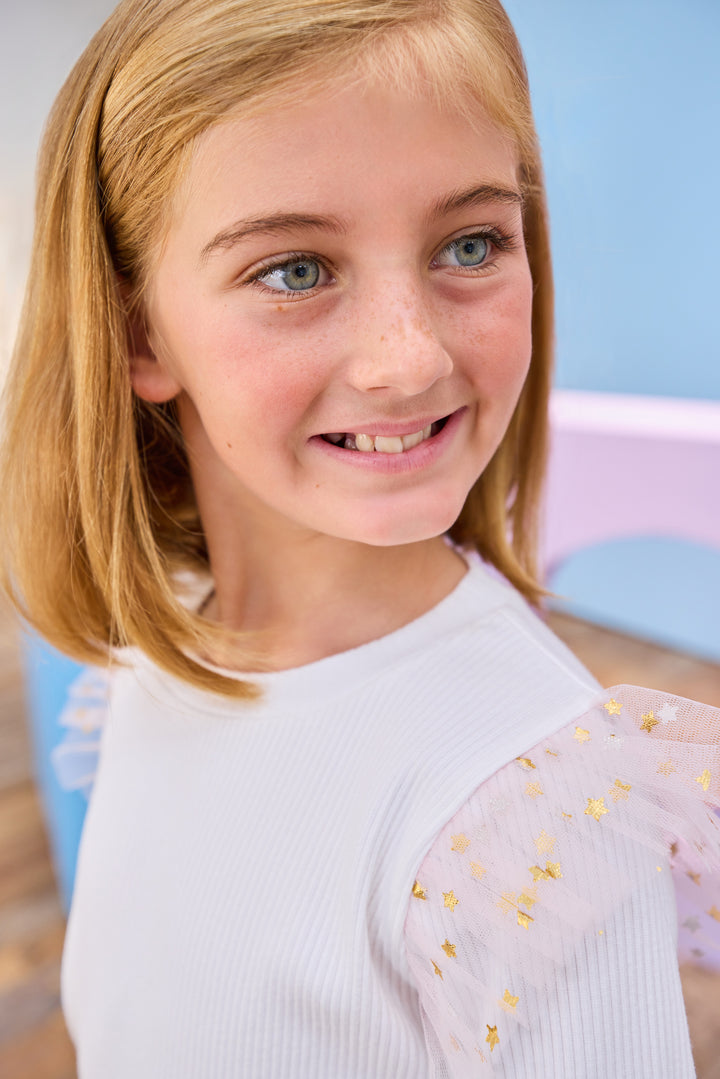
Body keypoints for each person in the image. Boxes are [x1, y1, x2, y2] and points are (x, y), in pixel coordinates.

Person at [1, 0, 718, 1075]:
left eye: (470, 244)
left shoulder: (542, 805)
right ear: (141, 331)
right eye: (296, 269)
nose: (409, 358)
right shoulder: (153, 663)